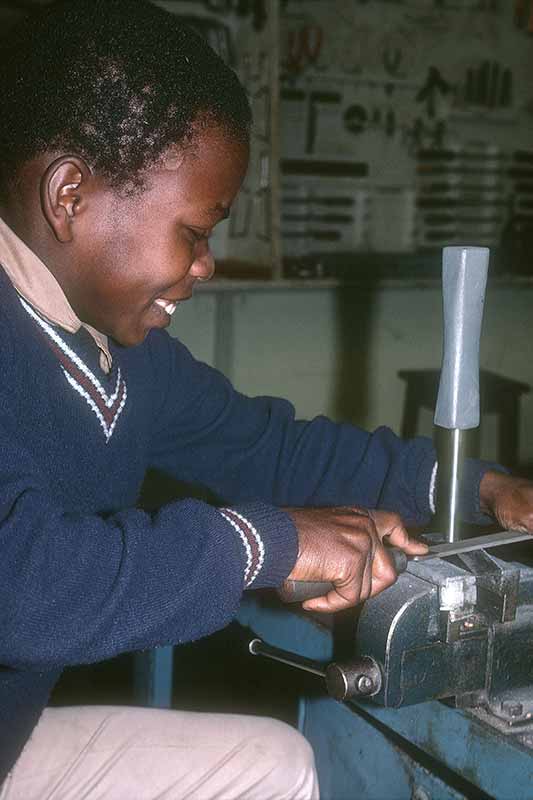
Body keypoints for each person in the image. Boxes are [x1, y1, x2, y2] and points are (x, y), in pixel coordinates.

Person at [0, 1, 532, 797]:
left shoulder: (124, 356)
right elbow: (26, 589)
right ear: (70, 195)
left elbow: (270, 449)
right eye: (195, 231)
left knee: (275, 766)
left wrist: (476, 485)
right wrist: (267, 544)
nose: (206, 265)